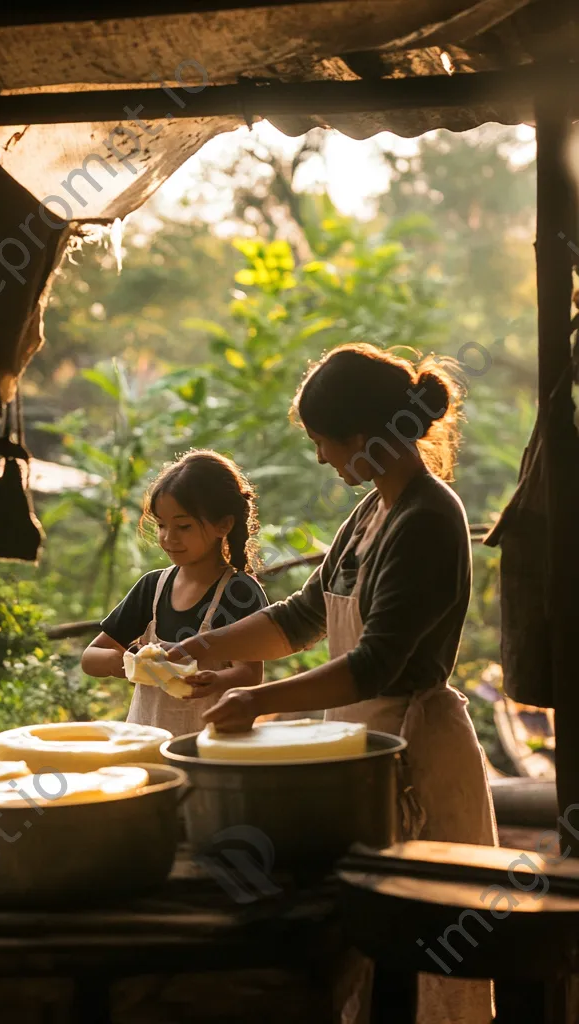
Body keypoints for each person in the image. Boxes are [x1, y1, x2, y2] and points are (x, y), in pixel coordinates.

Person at [169, 344, 496, 1024]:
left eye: (323, 443)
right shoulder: (372, 513)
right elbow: (304, 616)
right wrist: (203, 642)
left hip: (412, 743)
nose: (321, 459)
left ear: (362, 439)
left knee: (418, 958)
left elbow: (376, 663)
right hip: (362, 742)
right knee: (364, 953)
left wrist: (259, 699)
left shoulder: (428, 519)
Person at [81, 450, 267, 735]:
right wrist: (130, 664)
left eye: (183, 526)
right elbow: (90, 657)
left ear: (223, 525)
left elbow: (250, 674)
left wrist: (213, 680)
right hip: (146, 739)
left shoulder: (239, 593)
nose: (169, 538)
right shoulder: (152, 588)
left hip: (212, 742)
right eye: (162, 525)